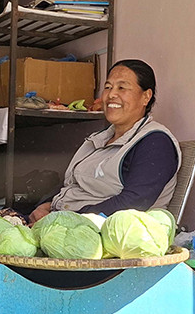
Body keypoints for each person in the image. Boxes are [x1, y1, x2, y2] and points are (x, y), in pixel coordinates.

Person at [28, 59, 181, 224]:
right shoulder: (98, 139)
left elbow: (134, 202)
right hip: (62, 221)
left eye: (122, 88)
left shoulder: (155, 143)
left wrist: (66, 220)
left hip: (98, 230)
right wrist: (44, 205)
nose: (111, 95)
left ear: (146, 97)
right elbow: (72, 182)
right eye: (108, 87)